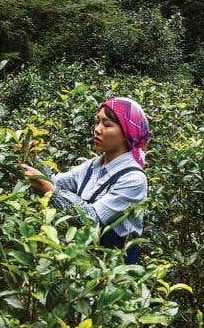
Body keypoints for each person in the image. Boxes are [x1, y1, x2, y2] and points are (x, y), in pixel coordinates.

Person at [19, 97, 149, 265]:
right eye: (97, 122)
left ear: (127, 132)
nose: (97, 129)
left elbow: (91, 219)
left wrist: (49, 190)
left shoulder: (134, 179)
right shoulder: (93, 166)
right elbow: (55, 182)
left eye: (107, 124)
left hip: (116, 271)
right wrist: (35, 157)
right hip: (85, 263)